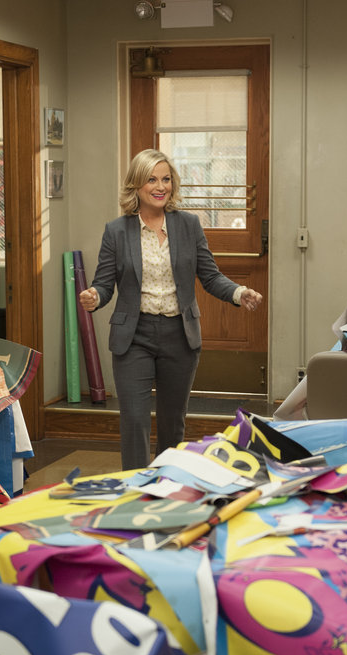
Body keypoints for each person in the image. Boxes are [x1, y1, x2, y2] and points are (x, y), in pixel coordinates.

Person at [79, 149, 263, 470]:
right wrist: (95, 296)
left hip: (180, 335)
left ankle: (167, 489)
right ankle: (136, 490)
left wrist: (238, 292)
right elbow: (105, 283)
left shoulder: (188, 225)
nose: (160, 186)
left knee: (172, 423)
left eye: (166, 179)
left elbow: (209, 275)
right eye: (151, 179)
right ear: (136, 185)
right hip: (133, 337)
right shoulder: (117, 231)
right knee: (134, 420)